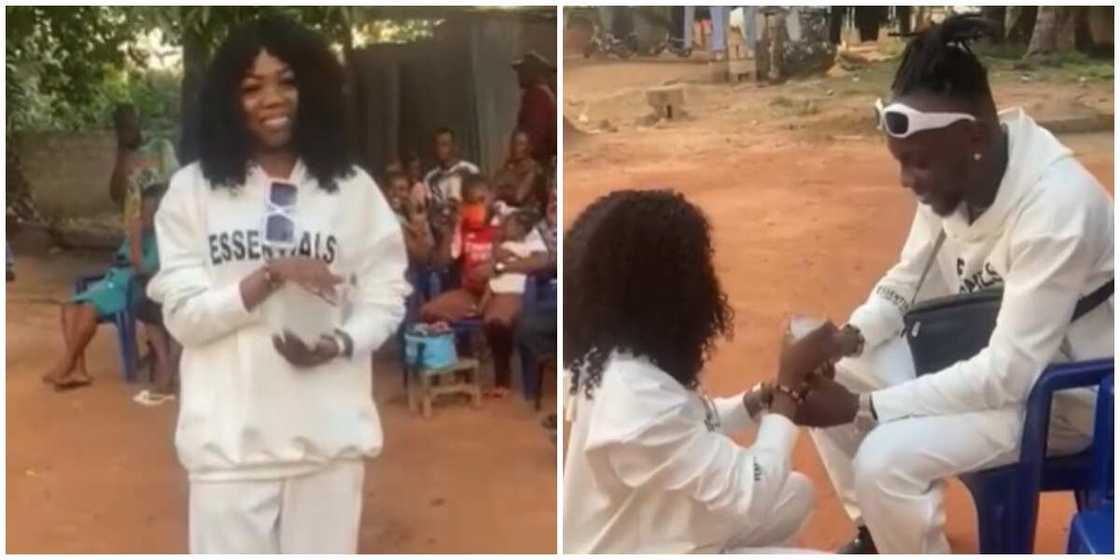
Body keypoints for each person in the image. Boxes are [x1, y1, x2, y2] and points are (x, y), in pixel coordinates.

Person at [799, 16, 1114, 554]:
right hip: (997, 356)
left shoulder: (1055, 209)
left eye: (919, 164)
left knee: (884, 459)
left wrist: (863, 409)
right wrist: (847, 338)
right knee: (830, 368)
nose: (907, 181)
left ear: (972, 138)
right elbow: (908, 279)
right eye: (902, 164)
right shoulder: (962, 177)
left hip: (1069, 397)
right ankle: (883, 533)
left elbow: (1008, 378)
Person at [146, 17, 409, 553]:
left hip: (329, 447)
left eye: (287, 80)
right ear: (226, 100)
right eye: (251, 86)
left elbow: (387, 294)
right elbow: (184, 318)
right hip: (229, 454)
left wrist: (342, 343)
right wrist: (267, 278)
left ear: (312, 87)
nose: (272, 98)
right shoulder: (192, 193)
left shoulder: (352, 190)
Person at [563, 189, 842, 553]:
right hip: (643, 545)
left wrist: (758, 401)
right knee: (773, 495)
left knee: (795, 493)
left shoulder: (611, 359)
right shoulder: (634, 397)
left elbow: (683, 427)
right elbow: (752, 490)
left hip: (651, 532)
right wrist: (788, 392)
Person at [42, 183, 167, 391]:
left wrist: (135, 241)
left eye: (152, 212)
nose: (145, 216)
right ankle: (78, 369)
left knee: (89, 307)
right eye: (144, 210)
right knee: (69, 308)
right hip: (113, 281)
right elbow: (119, 258)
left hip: (134, 288)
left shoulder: (162, 238)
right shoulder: (138, 230)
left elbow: (143, 270)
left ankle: (65, 364)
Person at [421, 174, 523, 398]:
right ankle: (463, 371)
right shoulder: (463, 224)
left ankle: (502, 379)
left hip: (503, 288)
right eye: (470, 202)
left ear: (491, 197)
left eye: (480, 200)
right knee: (430, 312)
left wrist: (494, 268)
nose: (476, 206)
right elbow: (441, 263)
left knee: (497, 321)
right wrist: (449, 230)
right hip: (471, 291)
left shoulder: (507, 220)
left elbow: (521, 258)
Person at [512, 51, 557, 165]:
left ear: (533, 72)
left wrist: (519, 162)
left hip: (538, 163)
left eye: (522, 71)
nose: (519, 75)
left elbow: (534, 135)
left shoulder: (537, 94)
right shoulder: (541, 91)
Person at [421, 127, 480, 212]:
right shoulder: (430, 177)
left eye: (444, 144)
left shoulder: (470, 169)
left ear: (454, 146)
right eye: (437, 144)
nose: (439, 149)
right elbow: (429, 205)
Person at [385, 170, 435, 268]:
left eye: (402, 189)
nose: (396, 193)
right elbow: (420, 257)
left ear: (409, 193)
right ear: (385, 190)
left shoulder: (413, 217)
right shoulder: (385, 218)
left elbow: (428, 252)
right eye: (392, 188)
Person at [493, 129, 543, 208]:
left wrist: (500, 190)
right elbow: (492, 190)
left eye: (521, 144)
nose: (515, 147)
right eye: (513, 143)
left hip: (525, 214)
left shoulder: (533, 169)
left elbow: (518, 197)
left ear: (529, 147)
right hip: (504, 210)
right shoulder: (507, 166)